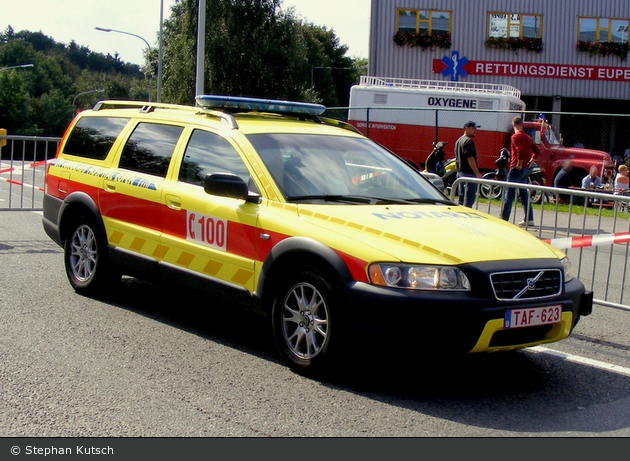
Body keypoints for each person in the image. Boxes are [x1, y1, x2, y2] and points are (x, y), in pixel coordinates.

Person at [501, 116, 540, 227]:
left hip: (516, 169)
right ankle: (529, 218)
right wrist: (530, 162)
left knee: (509, 194)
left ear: (513, 125)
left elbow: (520, 151)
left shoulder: (515, 137)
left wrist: (518, 164)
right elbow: (536, 151)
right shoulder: (527, 137)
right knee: (524, 194)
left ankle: (504, 218)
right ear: (521, 125)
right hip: (525, 169)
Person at [454, 121, 482, 207]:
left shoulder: (459, 141)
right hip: (468, 174)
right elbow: (470, 158)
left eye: (476, 128)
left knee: (461, 198)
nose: (475, 130)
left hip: (460, 173)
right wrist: (477, 173)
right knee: (469, 199)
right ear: (466, 128)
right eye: (473, 128)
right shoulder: (468, 141)